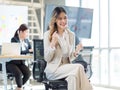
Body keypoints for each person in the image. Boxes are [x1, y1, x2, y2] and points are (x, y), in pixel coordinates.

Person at [44, 7, 93, 90]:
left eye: (65, 18)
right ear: (55, 20)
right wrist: (52, 43)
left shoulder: (71, 35)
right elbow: (47, 58)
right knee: (79, 67)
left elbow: (70, 57)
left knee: (73, 77)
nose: (63, 21)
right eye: (60, 18)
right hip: (54, 70)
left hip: (67, 68)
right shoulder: (48, 34)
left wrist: (76, 50)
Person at [6, 24, 32, 90]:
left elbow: (30, 50)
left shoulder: (27, 41)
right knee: (18, 74)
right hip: (11, 63)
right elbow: (18, 52)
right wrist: (28, 50)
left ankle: (18, 87)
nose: (27, 34)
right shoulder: (14, 39)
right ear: (21, 32)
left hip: (20, 63)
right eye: (26, 32)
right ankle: (19, 87)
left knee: (28, 73)